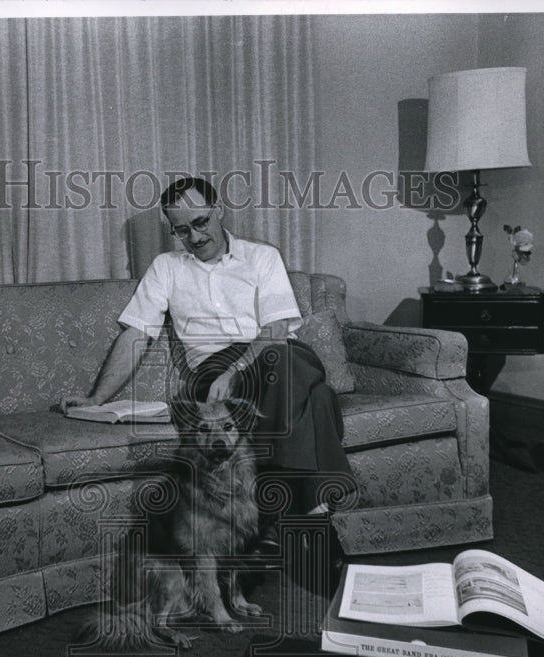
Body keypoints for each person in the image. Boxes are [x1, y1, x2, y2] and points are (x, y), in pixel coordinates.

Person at [62, 176, 352, 555]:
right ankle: (314, 510)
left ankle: (274, 514)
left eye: (200, 223)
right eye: (182, 230)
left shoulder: (261, 257)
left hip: (275, 354)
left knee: (285, 360)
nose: (195, 237)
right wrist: (97, 398)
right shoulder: (166, 267)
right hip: (212, 372)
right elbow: (136, 335)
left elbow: (277, 329)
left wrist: (237, 372)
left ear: (219, 211)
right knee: (320, 397)